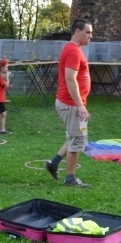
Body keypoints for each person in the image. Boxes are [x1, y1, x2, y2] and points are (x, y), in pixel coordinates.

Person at [45, 19, 93, 188]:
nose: (90, 36)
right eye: (87, 32)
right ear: (77, 31)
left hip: (72, 103)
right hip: (71, 103)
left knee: (76, 136)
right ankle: (70, 178)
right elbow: (70, 79)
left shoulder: (74, 49)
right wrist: (80, 105)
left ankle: (54, 162)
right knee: (77, 139)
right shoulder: (73, 51)